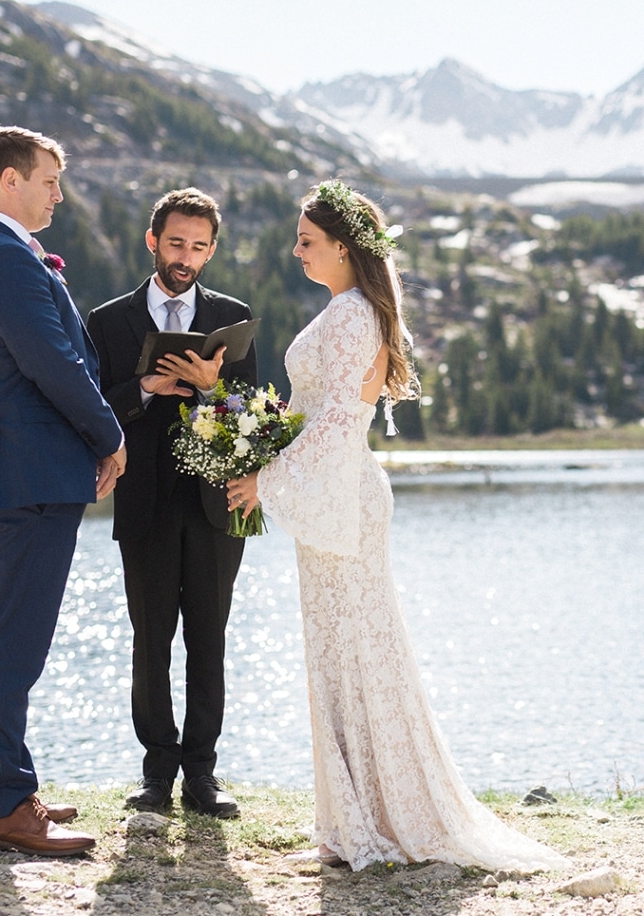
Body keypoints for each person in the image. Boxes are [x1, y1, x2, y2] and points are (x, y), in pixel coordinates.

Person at [227, 181, 568, 872]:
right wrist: (257, 442)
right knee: (339, 654)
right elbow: (311, 413)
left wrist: (266, 477)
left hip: (344, 500)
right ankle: (349, 819)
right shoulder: (347, 309)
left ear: (344, 248)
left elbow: (339, 421)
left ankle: (377, 820)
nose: (296, 250)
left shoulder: (353, 316)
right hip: (334, 496)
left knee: (362, 656)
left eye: (307, 240)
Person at [0, 124, 126, 857]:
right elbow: (53, 363)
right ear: (11, 180)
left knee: (2, 635)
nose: (59, 192)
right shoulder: (0, 255)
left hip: (24, 465)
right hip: (29, 466)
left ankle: (3, 789)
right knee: (11, 643)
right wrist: (111, 435)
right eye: (49, 180)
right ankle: (1, 804)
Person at [87, 188, 256, 817]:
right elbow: (92, 408)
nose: (186, 257)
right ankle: (156, 774)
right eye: (176, 243)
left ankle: (203, 779)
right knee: (150, 639)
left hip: (219, 507)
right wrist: (145, 389)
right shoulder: (107, 320)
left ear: (211, 251)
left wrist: (216, 389)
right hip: (145, 504)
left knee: (209, 641)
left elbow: (253, 420)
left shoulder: (234, 315)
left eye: (199, 246)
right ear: (153, 241)